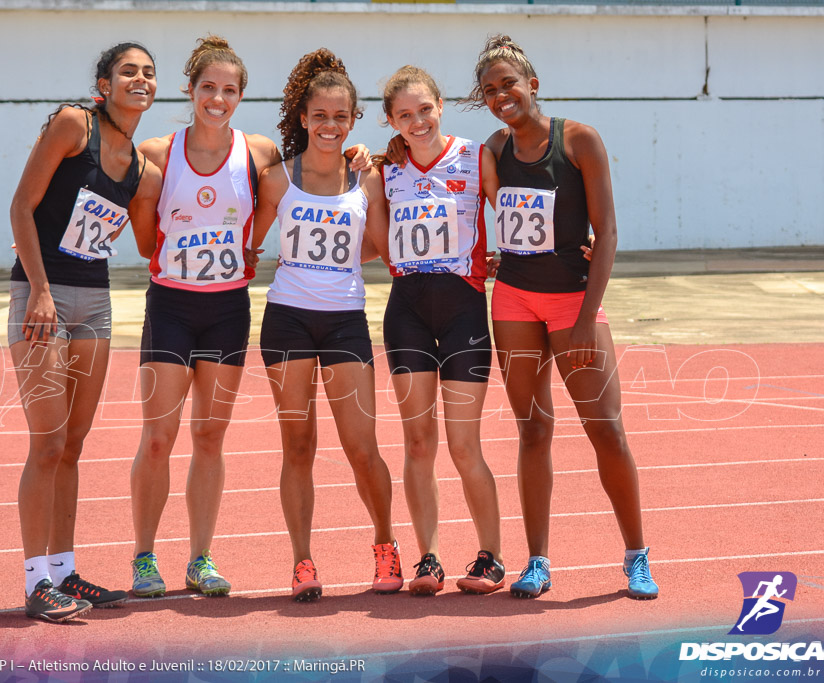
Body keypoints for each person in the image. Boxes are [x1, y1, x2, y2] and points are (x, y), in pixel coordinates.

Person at [127, 36, 371, 599]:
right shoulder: (159, 155)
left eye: (229, 90)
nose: (218, 98)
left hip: (227, 310)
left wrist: (363, 155)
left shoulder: (257, 153)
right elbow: (145, 241)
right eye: (207, 88)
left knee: (210, 436)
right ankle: (144, 556)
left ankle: (199, 559)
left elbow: (317, 158)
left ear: (240, 96)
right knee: (159, 437)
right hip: (171, 306)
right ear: (190, 91)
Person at [470, 35, 658, 599]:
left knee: (606, 429)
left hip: (574, 303)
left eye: (509, 83)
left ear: (533, 84)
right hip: (514, 301)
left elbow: (609, 234)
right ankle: (537, 561)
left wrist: (582, 319)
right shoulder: (491, 150)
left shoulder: (579, 140)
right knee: (533, 430)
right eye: (490, 90)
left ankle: (636, 555)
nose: (502, 95)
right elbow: (469, 198)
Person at [8, 42, 162, 621]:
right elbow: (22, 206)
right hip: (41, 297)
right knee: (46, 444)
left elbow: (151, 241)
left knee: (73, 445)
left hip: (95, 304)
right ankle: (35, 581)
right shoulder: (74, 125)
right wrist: (40, 290)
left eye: (148, 73)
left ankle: (65, 570)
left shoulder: (144, 168)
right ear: (104, 83)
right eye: (128, 71)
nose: (139, 79)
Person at [250, 48, 402, 602]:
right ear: (303, 119)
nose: (330, 126)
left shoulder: (367, 179)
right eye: (321, 116)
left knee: (362, 446)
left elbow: (379, 248)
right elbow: (246, 240)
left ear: (354, 119)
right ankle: (302, 561)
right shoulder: (276, 179)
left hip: (344, 322)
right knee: (298, 446)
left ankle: (386, 545)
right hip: (287, 319)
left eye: (341, 117)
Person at [376, 66, 506, 595]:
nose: (417, 121)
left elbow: (517, 218)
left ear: (441, 105)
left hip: (464, 311)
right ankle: (428, 557)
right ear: (392, 120)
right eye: (405, 115)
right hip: (406, 309)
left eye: (424, 109)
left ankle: (491, 557)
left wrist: (564, 251)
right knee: (418, 441)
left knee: (463, 444)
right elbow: (375, 242)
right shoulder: (383, 170)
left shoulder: (476, 157)